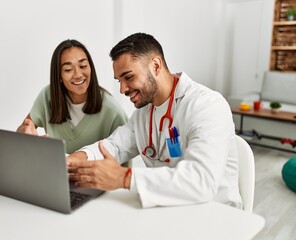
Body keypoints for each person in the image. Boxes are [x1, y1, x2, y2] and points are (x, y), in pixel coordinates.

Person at [67, 33, 243, 209]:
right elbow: (114, 146)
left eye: (128, 77)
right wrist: (75, 160)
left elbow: (201, 181)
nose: (122, 89)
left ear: (156, 66)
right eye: (119, 80)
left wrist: (124, 178)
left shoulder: (207, 105)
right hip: (169, 208)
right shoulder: (144, 112)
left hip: (214, 214)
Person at [17, 39, 128, 154]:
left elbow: (124, 162)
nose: (78, 75)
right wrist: (26, 134)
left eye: (83, 66)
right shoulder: (48, 96)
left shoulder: (112, 110)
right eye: (68, 69)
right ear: (58, 75)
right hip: (54, 171)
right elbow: (23, 130)